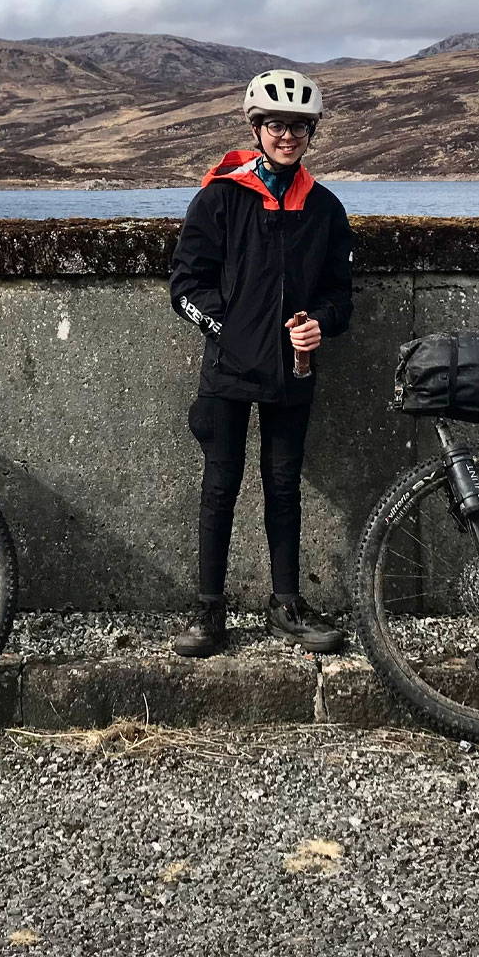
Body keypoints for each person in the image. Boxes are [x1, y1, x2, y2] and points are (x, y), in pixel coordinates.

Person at [166, 68, 354, 657]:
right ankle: (208, 612)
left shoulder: (324, 208)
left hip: (294, 371)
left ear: (310, 133)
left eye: (299, 126)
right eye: (276, 123)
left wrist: (321, 323)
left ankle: (287, 604)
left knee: (282, 485)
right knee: (220, 485)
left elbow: (340, 294)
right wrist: (228, 334)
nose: (287, 135)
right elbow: (185, 287)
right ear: (257, 128)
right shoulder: (220, 197)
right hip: (227, 370)